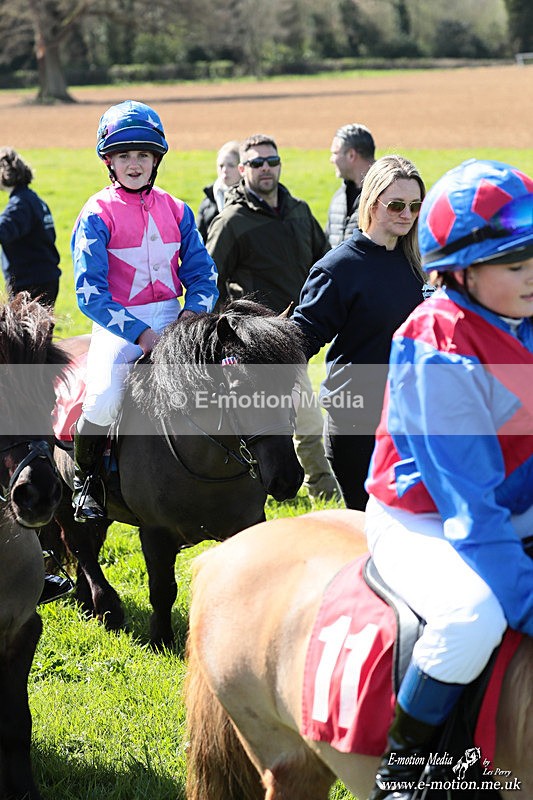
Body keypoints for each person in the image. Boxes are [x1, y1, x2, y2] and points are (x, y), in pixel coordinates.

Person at [364, 158, 533, 800]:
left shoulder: (522, 316)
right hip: (425, 515)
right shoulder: (436, 343)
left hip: (510, 499)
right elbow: (471, 506)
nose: (531, 275)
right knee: (472, 617)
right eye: (514, 264)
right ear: (461, 271)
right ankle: (405, 771)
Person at [71, 100, 218, 521]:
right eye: (124, 155)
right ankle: (87, 484)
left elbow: (203, 275)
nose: (134, 164)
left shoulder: (178, 209)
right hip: (118, 324)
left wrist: (191, 317)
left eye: (143, 154)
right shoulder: (96, 213)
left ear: (156, 159)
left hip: (175, 317)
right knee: (102, 399)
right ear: (109, 162)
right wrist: (140, 335)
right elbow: (89, 292)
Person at [206, 133, 340, 502]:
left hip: (294, 335)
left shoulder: (298, 211)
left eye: (272, 161)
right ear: (243, 169)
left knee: (308, 421)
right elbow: (207, 279)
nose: (266, 168)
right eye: (257, 163)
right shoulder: (231, 221)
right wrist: (229, 336)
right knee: (267, 423)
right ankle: (257, 492)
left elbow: (323, 263)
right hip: (252, 344)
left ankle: (323, 493)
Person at [293, 154, 426, 511]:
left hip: (416, 420)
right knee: (372, 533)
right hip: (358, 424)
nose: (407, 214)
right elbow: (299, 341)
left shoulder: (422, 264)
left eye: (415, 205)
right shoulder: (339, 269)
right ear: (371, 202)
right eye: (396, 204)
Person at [0, 147, 61, 307]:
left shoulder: (20, 205)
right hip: (45, 279)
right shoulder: (34, 200)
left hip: (29, 285)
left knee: (25, 332)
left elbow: (3, 230)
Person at [325, 123, 376, 248]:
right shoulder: (338, 198)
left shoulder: (385, 197)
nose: (331, 159)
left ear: (351, 155)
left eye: (335, 153)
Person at [196, 140, 240, 241]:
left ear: (241, 168)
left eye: (231, 165)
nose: (224, 170)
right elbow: (198, 242)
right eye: (221, 166)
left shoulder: (252, 202)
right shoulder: (208, 202)